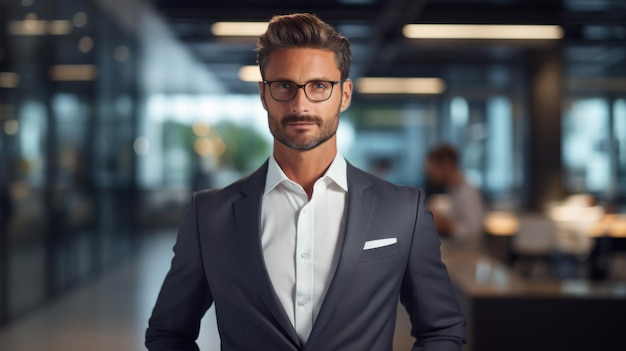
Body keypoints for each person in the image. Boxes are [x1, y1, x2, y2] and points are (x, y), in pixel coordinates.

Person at [146, 13, 465, 351]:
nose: (300, 105)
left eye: (318, 86)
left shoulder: (403, 210)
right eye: (284, 85)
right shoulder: (209, 215)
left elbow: (442, 330)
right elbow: (168, 334)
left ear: (344, 94)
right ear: (263, 94)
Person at [425, 144, 485, 250]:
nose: (431, 175)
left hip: (468, 255)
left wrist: (446, 225)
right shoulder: (453, 188)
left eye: (433, 170)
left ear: (446, 165)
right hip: (459, 251)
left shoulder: (467, 191)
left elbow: (474, 230)